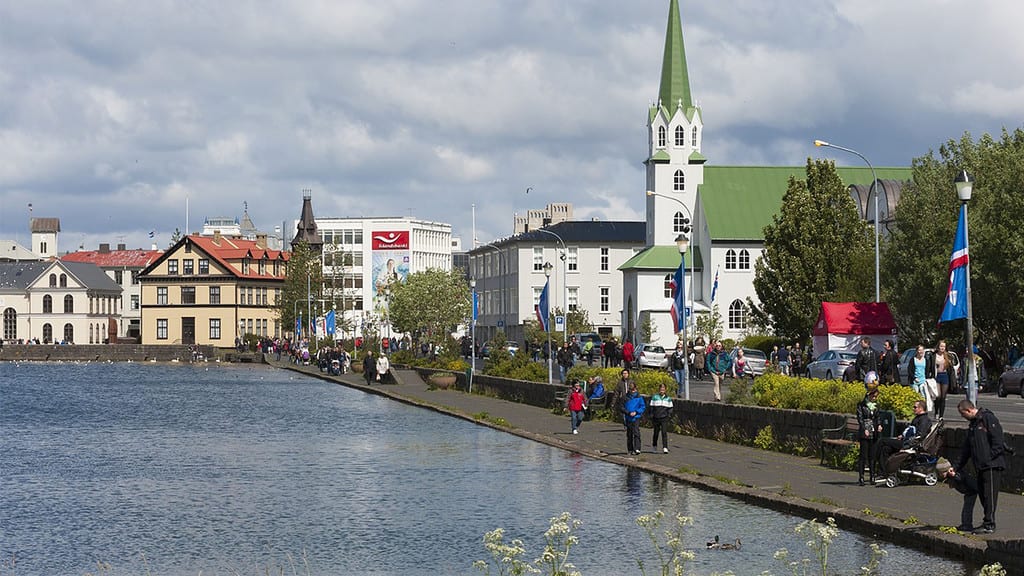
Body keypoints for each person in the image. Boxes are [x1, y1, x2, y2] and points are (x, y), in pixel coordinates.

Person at [948, 399, 1008, 534]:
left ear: (969, 410)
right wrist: (956, 467)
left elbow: (998, 442)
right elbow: (966, 450)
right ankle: (987, 521)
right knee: (983, 495)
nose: (962, 417)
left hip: (992, 465)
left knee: (989, 495)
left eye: (963, 414)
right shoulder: (973, 425)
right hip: (981, 466)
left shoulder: (987, 418)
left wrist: (987, 459)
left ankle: (989, 524)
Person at [874, 400, 931, 474]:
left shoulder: (924, 420)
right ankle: (884, 471)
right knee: (886, 449)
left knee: (882, 441)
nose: (913, 409)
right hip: (905, 440)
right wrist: (902, 435)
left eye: (915, 407)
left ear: (921, 408)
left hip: (909, 444)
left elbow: (919, 435)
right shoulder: (918, 418)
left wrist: (907, 446)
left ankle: (872, 460)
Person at [856, 385, 882, 485]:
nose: (874, 399)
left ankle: (872, 476)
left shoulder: (876, 406)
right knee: (863, 455)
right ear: (868, 395)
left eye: (876, 397)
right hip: (865, 429)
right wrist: (864, 428)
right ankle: (861, 477)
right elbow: (860, 418)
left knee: (872, 455)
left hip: (873, 429)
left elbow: (878, 417)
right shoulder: (861, 405)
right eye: (873, 397)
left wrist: (879, 424)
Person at [929, 340, 956, 419]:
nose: (942, 348)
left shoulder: (948, 356)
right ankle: (936, 411)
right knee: (938, 396)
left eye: (944, 347)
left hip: (945, 376)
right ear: (938, 347)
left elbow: (951, 368)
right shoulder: (933, 356)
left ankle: (941, 415)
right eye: (941, 346)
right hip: (937, 376)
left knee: (943, 397)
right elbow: (930, 366)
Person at [621, 381, 646, 455]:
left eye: (633, 389)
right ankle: (630, 449)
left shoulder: (639, 397)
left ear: (635, 388)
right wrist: (628, 412)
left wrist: (636, 412)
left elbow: (642, 406)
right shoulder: (625, 397)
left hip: (636, 417)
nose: (632, 391)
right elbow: (621, 407)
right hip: (628, 417)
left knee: (636, 433)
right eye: (630, 389)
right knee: (629, 434)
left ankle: (637, 448)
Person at [906, 345, 933, 412]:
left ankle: (923, 409)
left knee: (923, 395)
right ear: (917, 351)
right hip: (914, 380)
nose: (921, 352)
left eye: (922, 350)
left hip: (923, 380)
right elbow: (909, 370)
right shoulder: (913, 359)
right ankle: (914, 409)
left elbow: (927, 370)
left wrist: (927, 379)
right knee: (915, 395)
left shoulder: (926, 360)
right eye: (919, 350)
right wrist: (914, 377)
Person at [650, 383, 674, 453]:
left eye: (663, 389)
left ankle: (665, 447)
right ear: (659, 389)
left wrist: (668, 415)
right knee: (656, 433)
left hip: (664, 418)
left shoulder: (668, 398)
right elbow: (651, 407)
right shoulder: (654, 397)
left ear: (665, 390)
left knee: (664, 433)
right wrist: (652, 415)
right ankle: (654, 446)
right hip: (656, 417)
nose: (662, 390)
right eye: (661, 389)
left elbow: (671, 408)